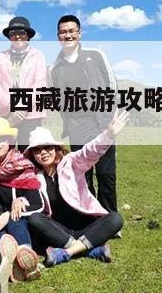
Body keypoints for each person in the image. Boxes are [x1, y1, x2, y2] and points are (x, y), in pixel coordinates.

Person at [22, 110, 127, 267]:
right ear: (33, 155)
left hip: (86, 226)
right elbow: (29, 199)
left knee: (115, 219)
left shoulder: (71, 163)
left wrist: (109, 135)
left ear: (56, 149)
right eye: (37, 150)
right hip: (60, 231)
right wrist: (20, 200)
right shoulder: (36, 177)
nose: (43, 153)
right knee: (35, 219)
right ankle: (89, 249)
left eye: (47, 147)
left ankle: (67, 253)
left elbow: (89, 152)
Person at [49, 14, 119, 214]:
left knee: (106, 173)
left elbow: (111, 84)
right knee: (83, 175)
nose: (68, 35)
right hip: (77, 127)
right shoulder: (55, 68)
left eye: (72, 31)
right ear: (58, 36)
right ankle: (90, 216)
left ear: (79, 33)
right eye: (63, 32)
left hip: (101, 123)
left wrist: (111, 116)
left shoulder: (95, 55)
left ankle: (110, 218)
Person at [0, 117, 44, 283]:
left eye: (1, 139)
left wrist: (8, 214)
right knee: (1, 238)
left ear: (9, 141)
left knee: (16, 220)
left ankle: (25, 255)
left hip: (18, 221)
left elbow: (38, 204)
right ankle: (9, 265)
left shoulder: (24, 166)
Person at [0, 16, 47, 152]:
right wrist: (9, 105)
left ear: (28, 36)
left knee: (27, 152)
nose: (17, 36)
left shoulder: (38, 55)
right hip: (6, 113)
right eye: (13, 34)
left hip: (31, 114)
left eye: (21, 33)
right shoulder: (0, 56)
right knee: (4, 151)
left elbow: (39, 85)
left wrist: (21, 109)